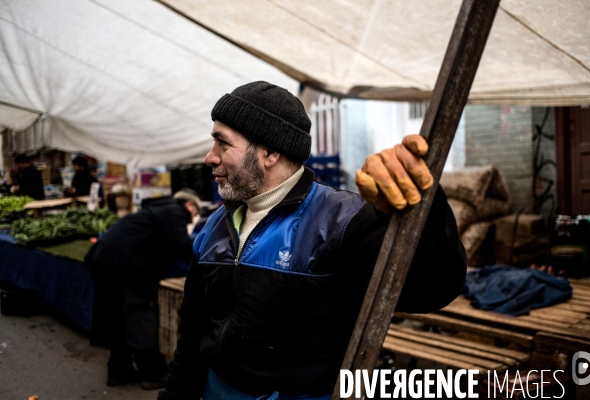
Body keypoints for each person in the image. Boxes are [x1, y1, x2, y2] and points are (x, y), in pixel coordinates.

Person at [158, 82, 466, 400]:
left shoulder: (343, 222)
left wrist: (424, 210)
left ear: (270, 152)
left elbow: (431, 288)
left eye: (223, 144)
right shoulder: (215, 227)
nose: (210, 157)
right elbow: (193, 328)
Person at [85, 189, 203, 390]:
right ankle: (152, 373)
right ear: (190, 206)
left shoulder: (156, 211)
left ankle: (118, 370)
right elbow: (182, 246)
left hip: (104, 259)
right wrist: (209, 250)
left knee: (118, 317)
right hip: (123, 264)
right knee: (140, 313)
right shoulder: (174, 210)